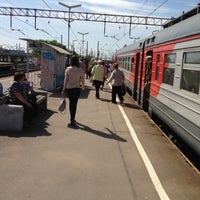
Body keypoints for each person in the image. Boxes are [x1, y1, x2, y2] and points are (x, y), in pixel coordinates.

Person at [62, 55, 85, 127]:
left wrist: (63, 89)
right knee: (74, 104)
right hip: (77, 89)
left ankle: (72, 119)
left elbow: (65, 80)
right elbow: (83, 79)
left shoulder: (68, 69)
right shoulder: (80, 70)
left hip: (69, 89)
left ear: (71, 61)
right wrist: (83, 86)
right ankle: (72, 119)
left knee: (71, 103)